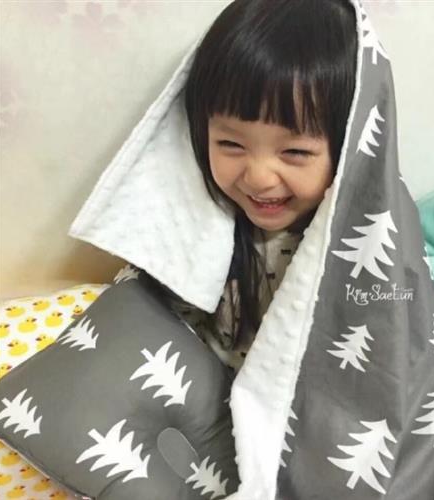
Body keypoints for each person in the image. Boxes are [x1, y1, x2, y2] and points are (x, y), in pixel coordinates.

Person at [166, 0, 357, 374]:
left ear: (348, 146)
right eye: (231, 144)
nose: (258, 177)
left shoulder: (360, 243)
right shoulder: (196, 218)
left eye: (295, 151)